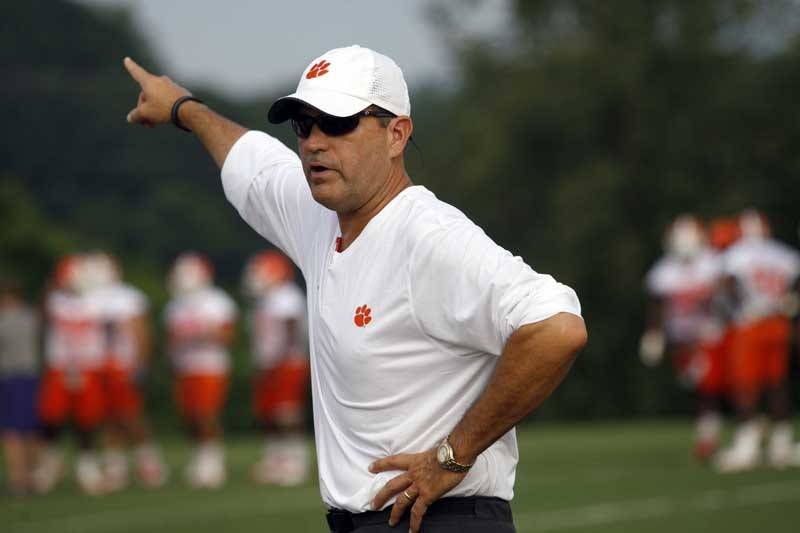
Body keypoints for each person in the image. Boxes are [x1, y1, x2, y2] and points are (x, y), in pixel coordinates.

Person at [123, 45, 586, 533]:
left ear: (396, 134)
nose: (314, 142)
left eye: (337, 123)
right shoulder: (319, 214)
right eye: (303, 125)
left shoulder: (429, 237)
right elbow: (253, 162)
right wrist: (183, 109)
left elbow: (557, 329)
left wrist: (453, 456)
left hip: (438, 519)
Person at [714, 209, 800, 472]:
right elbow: (793, 286)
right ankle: (781, 445)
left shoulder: (737, 254)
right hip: (778, 323)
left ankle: (747, 446)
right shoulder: (784, 254)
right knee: (777, 384)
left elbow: (728, 285)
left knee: (745, 385)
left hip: (750, 324)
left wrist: (740, 308)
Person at [640, 215, 729, 461]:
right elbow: (657, 303)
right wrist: (654, 333)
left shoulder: (712, 263)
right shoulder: (664, 270)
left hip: (710, 336)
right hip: (681, 340)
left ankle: (713, 439)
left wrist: (719, 320)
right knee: (696, 389)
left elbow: (726, 296)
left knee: (709, 388)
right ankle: (710, 436)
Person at [83, 252, 167, 490]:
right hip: (96, 364)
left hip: (122, 364)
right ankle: (115, 466)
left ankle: (148, 460)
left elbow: (142, 334)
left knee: (130, 415)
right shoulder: (86, 298)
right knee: (107, 417)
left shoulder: (127, 297)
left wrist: (141, 364)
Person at [34, 254, 109, 495]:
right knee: (51, 417)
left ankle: (87, 467)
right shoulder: (55, 300)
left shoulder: (99, 300)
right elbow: (42, 316)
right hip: (61, 366)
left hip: (89, 366)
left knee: (87, 420)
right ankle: (50, 462)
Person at [164, 253, 236, 489]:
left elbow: (227, 336)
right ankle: (199, 457)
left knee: (207, 414)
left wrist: (199, 334)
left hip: (210, 365)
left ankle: (213, 461)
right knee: (189, 416)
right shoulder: (175, 306)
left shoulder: (217, 302)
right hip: (185, 366)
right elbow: (171, 339)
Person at [242, 250, 311, 486]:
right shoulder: (266, 299)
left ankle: (296, 460)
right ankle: (275, 459)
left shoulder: (286, 296)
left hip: (286, 362)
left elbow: (291, 332)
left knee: (286, 412)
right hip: (268, 362)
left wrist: (278, 359)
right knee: (268, 413)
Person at [0, 277, 40, 496]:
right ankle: (32, 477)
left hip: (9, 378)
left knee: (11, 432)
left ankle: (18, 480)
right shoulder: (32, 317)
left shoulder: (4, 320)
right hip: (31, 377)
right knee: (30, 429)